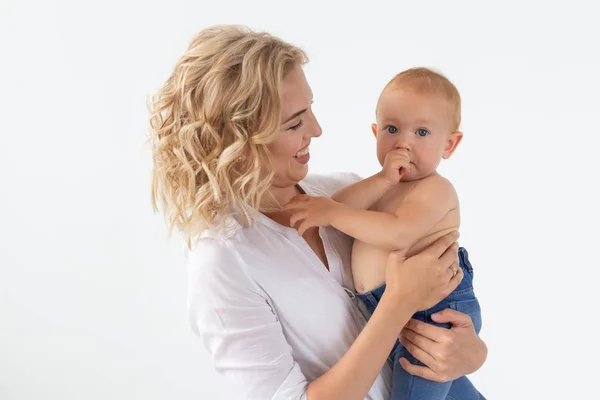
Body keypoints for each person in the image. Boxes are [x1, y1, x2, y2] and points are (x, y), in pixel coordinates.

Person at [149, 25, 487, 400]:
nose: (317, 129)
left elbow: (446, 297)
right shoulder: (223, 261)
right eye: (295, 122)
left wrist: (471, 353)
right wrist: (398, 304)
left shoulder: (342, 195)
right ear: (239, 142)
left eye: (311, 109)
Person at [284, 67, 484, 399]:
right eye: (392, 129)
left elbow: (398, 234)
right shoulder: (382, 185)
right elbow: (335, 211)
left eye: (422, 132)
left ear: (449, 144)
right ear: (375, 132)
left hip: (434, 311)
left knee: (414, 390)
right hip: (390, 309)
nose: (403, 142)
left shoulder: (435, 190)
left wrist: (334, 211)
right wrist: (381, 181)